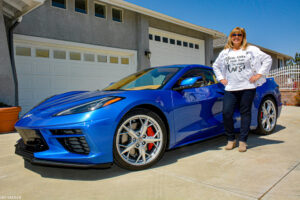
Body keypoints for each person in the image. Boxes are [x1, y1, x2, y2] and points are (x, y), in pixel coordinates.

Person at [213, 27, 272, 152]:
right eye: (234, 34)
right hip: (230, 88)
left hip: (247, 87)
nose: (236, 37)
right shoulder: (225, 52)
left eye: (239, 35)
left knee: (245, 113)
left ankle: (243, 141)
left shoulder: (251, 50)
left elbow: (267, 59)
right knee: (226, 112)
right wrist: (221, 78)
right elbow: (215, 65)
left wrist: (258, 75)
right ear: (231, 36)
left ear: (243, 37)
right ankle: (231, 139)